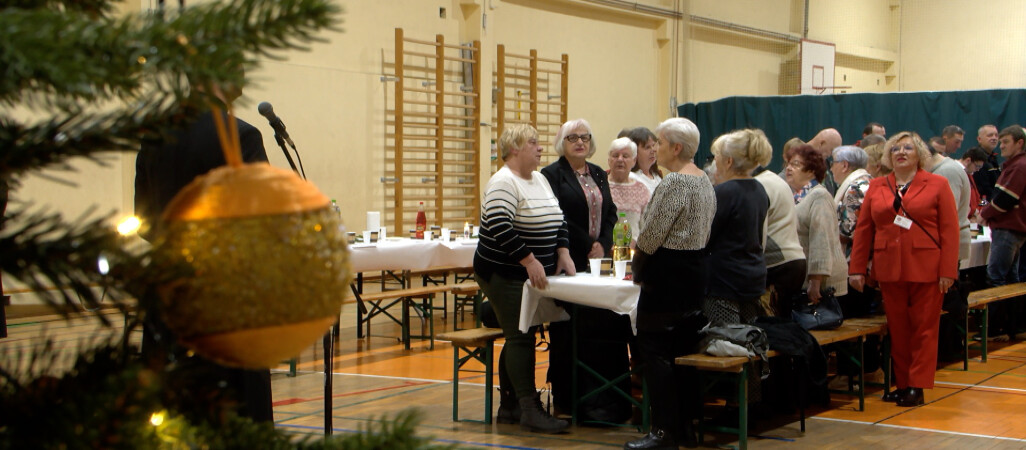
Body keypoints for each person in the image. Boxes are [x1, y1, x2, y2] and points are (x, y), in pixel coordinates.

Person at [134, 87, 273, 422]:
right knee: (237, 410)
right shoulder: (241, 135)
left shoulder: (154, 138)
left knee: (170, 409)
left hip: (168, 291)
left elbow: (143, 221)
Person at [472, 123, 574, 433]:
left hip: (530, 274)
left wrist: (563, 252)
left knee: (522, 331)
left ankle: (510, 406)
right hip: (503, 272)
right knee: (521, 334)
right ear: (514, 148)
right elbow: (500, 226)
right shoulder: (503, 182)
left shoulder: (539, 179)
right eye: (533, 142)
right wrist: (529, 260)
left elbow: (559, 218)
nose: (540, 148)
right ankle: (529, 408)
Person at [849, 131, 959, 407]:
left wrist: (948, 271)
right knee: (898, 330)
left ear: (919, 154)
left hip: (928, 268)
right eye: (895, 149)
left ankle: (917, 385)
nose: (901, 153)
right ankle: (902, 383)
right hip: (889, 268)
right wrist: (857, 268)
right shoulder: (877, 185)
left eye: (908, 148)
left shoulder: (938, 184)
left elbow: (950, 230)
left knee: (924, 329)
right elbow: (864, 230)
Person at [623, 117, 715, 450]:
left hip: (668, 274)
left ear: (676, 148)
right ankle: (685, 426)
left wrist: (637, 268)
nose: (655, 148)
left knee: (655, 351)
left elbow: (651, 234)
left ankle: (663, 431)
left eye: (659, 142)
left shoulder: (675, 182)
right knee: (683, 351)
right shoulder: (704, 179)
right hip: (695, 270)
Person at [542, 118, 630, 423]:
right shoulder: (551, 175)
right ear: (562, 143)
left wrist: (603, 243)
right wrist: (588, 243)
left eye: (585, 137)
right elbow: (557, 215)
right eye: (573, 137)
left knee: (601, 324)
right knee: (567, 328)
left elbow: (611, 213)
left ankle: (602, 399)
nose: (580, 142)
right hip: (568, 258)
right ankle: (566, 398)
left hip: (597, 259)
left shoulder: (598, 173)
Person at [705, 130, 770, 325]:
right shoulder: (759, 189)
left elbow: (706, 236)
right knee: (749, 334)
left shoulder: (724, 192)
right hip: (752, 274)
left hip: (725, 281)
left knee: (726, 337)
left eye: (717, 156)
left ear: (728, 161)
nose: (714, 161)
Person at [979, 126, 1026, 341]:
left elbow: (1006, 199)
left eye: (1006, 141)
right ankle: (1013, 327)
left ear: (1019, 143)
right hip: (1013, 229)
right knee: (1010, 279)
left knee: (996, 277)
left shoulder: (1019, 166)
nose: (1002, 145)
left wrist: (984, 214)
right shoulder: (1016, 165)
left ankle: (996, 329)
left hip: (1008, 228)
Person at [787, 145, 849, 306]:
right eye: (788, 163)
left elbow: (821, 239)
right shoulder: (799, 196)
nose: (789, 168)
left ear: (811, 171)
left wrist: (815, 281)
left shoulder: (819, 196)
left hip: (824, 283)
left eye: (795, 164)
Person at [752, 136, 807, 317]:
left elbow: (759, 233)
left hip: (778, 264)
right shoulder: (774, 179)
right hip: (793, 261)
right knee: (783, 323)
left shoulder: (759, 184)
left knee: (774, 325)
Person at [606, 137, 650, 247]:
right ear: (609, 160)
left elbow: (647, 227)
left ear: (634, 161)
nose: (620, 159)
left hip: (634, 250)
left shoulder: (642, 190)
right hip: (604, 250)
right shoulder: (600, 186)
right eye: (615, 155)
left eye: (625, 156)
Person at [832, 146, 872, 257]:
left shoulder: (854, 189)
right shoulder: (868, 181)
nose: (831, 169)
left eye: (833, 163)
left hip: (855, 256)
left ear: (844, 165)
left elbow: (849, 232)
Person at [620, 127, 662, 194]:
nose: (653, 150)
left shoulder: (656, 175)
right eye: (647, 147)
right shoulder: (631, 178)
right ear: (635, 152)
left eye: (653, 145)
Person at [970, 124, 1001, 200]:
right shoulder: (976, 157)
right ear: (979, 139)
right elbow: (982, 188)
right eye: (990, 135)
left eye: (996, 135)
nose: (994, 138)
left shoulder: (993, 157)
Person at [808, 128, 843, 195]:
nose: (831, 155)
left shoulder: (826, 163)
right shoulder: (798, 160)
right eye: (831, 150)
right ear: (821, 144)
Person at [959, 147, 988, 221]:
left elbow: (977, 197)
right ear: (968, 160)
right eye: (977, 166)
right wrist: (973, 212)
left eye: (980, 167)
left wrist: (978, 211)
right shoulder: (957, 174)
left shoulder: (969, 174)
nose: (978, 170)